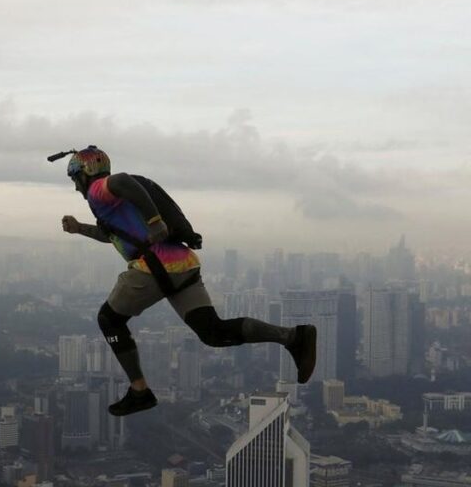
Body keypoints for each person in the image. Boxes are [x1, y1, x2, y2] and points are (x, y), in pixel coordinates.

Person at [57, 145, 317, 416]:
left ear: (86, 173)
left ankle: (139, 390)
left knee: (108, 319)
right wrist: (79, 229)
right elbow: (110, 234)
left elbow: (123, 179)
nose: (76, 187)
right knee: (213, 332)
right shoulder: (113, 205)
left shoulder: (99, 190)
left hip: (152, 267)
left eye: (76, 179)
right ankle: (292, 336)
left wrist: (156, 221)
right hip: (182, 264)